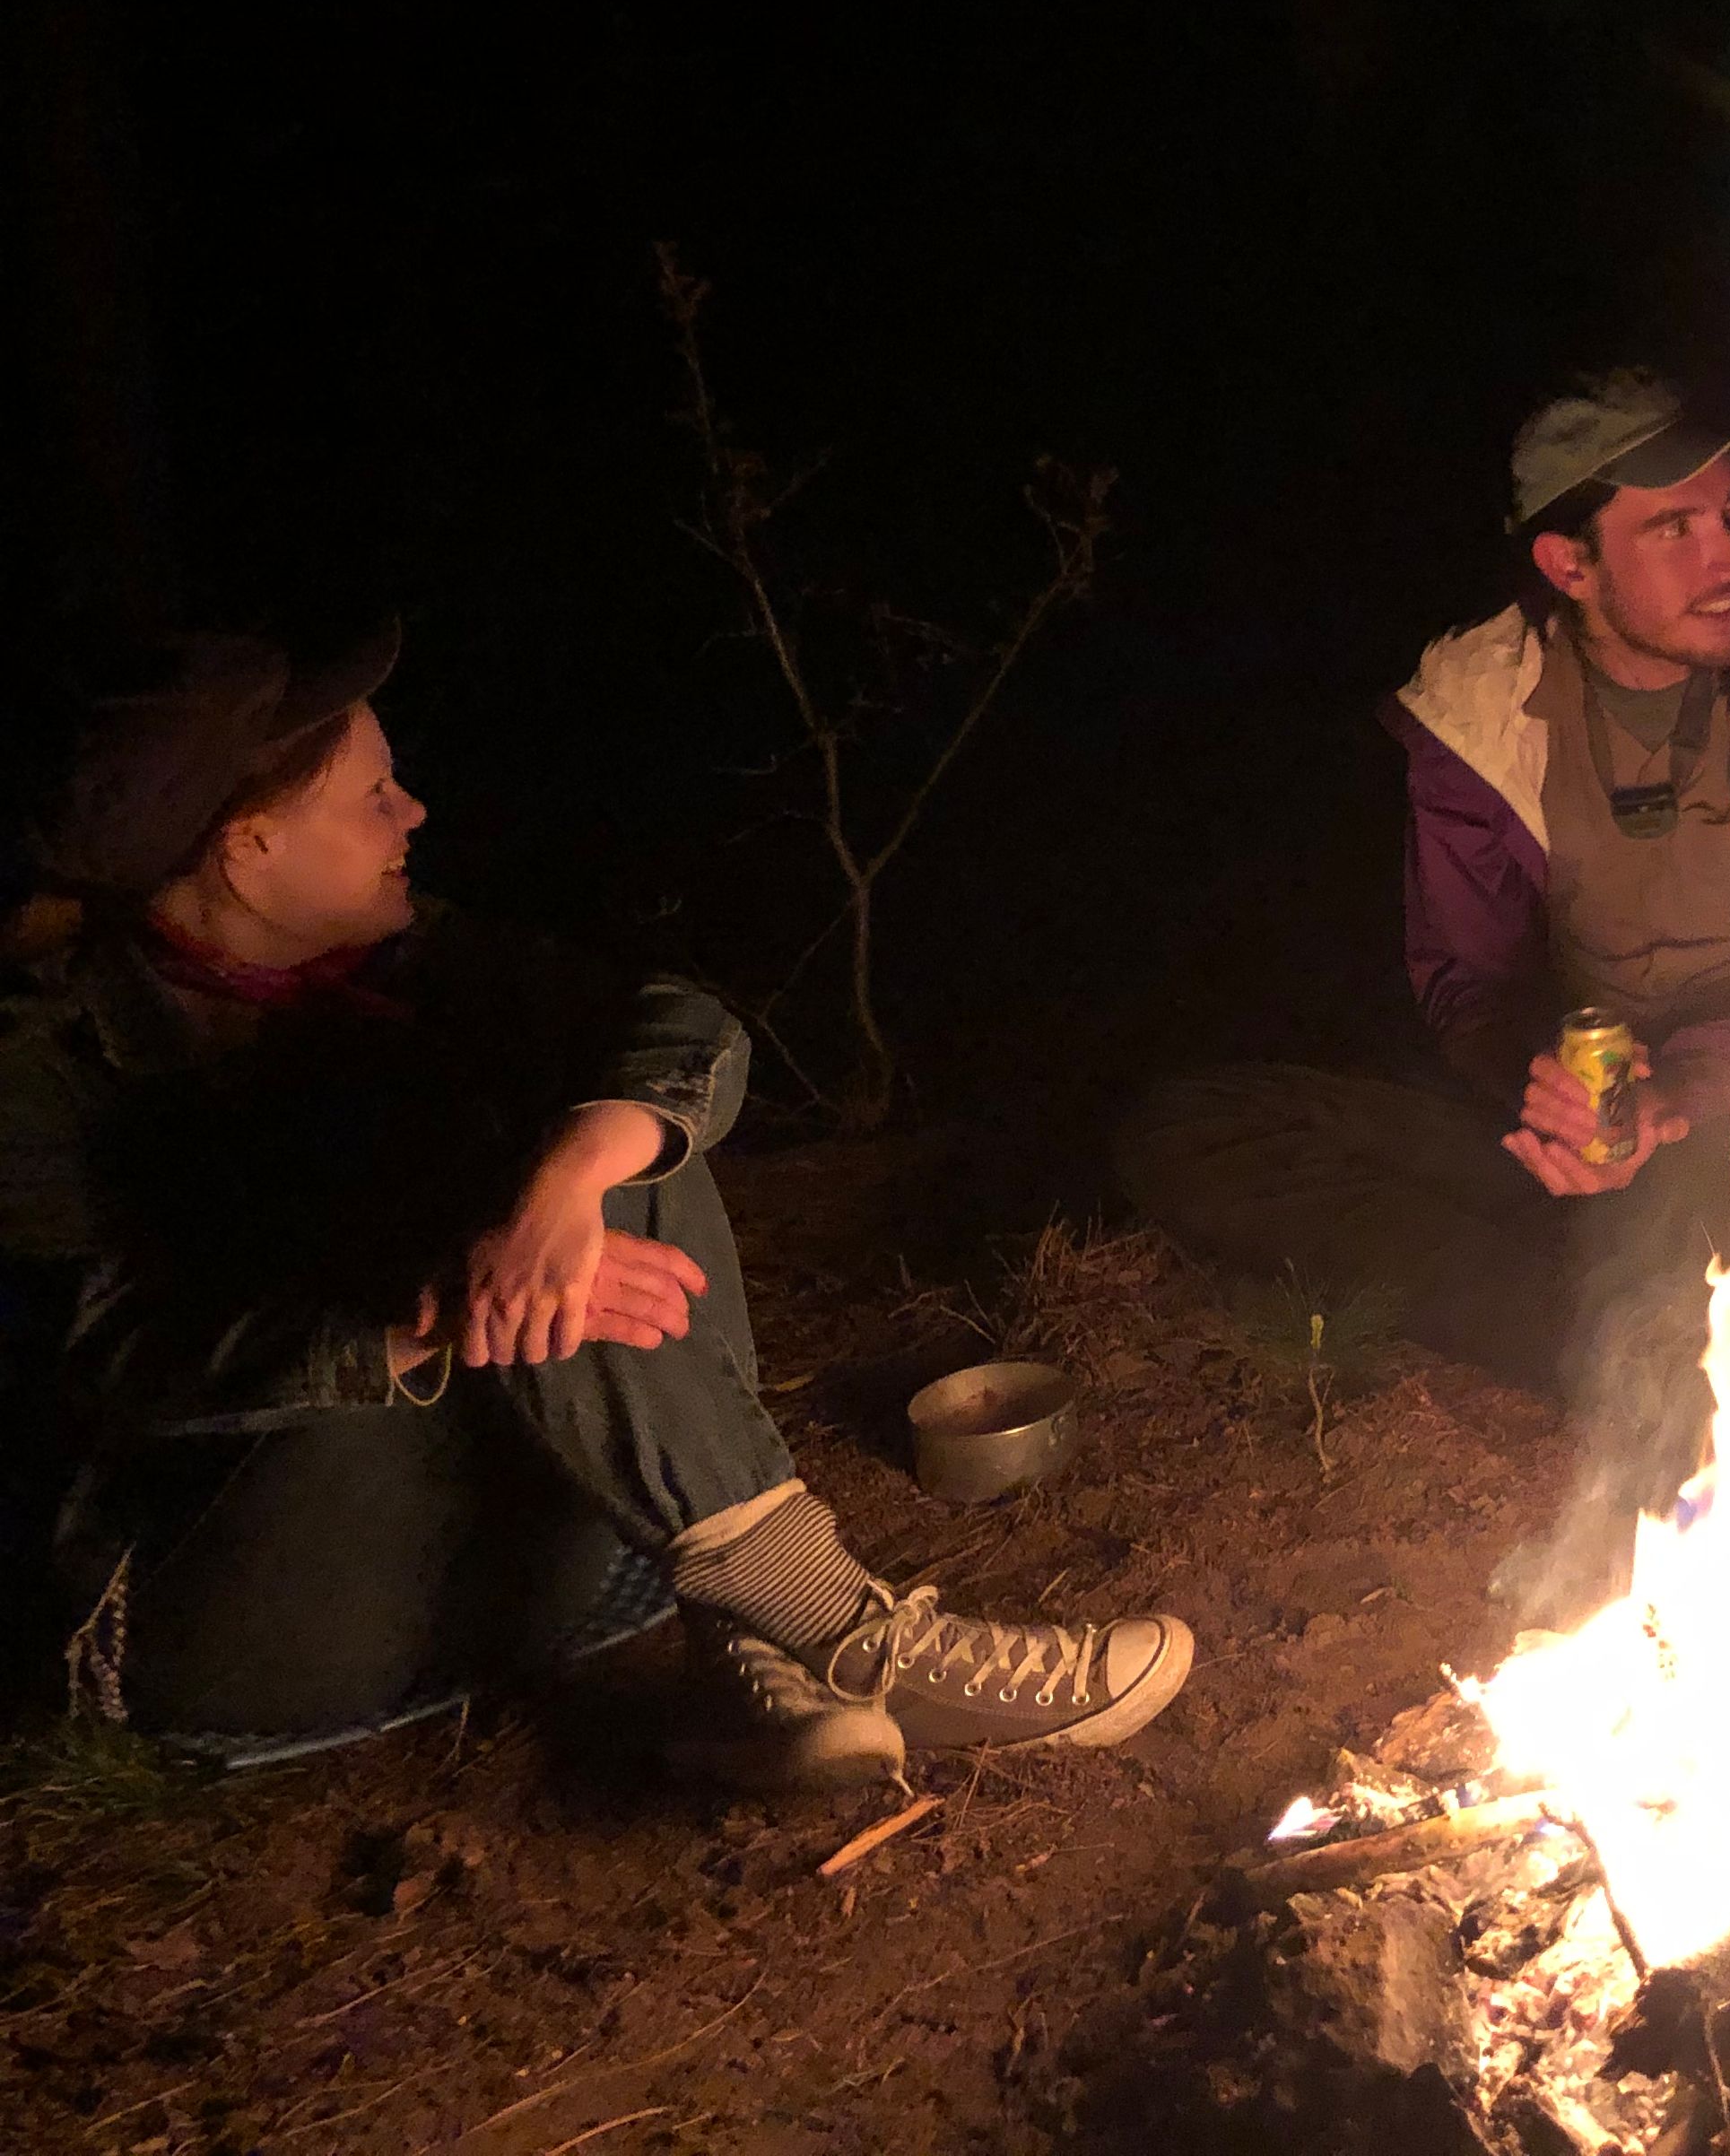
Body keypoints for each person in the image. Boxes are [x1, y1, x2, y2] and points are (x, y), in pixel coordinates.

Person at [2, 629, 1193, 1787]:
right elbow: (88, 1353)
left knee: (604, 1144)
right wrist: (430, 1314)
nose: (413, 813)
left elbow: (677, 1021)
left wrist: (570, 1179)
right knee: (519, 1192)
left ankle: (762, 1654)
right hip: (239, 1612)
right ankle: (860, 1640)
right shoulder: (42, 1058)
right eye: (373, 795)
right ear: (251, 848)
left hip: (529, 1554)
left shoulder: (396, 958)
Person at [1117, 372, 1730, 1592]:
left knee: (1679, 1218)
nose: (1729, 558)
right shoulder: (1480, 713)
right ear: (1569, 563)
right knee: (1192, 1127)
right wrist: (1539, 1091)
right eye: (1675, 528)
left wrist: (1673, 1105)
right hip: (1581, 1114)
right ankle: (1596, 1318)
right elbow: (1467, 988)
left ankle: (1634, 1314)